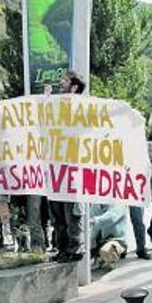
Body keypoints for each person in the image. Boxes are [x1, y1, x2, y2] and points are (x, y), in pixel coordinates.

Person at [49, 72, 87, 262]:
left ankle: (75, 248)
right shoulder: (55, 107)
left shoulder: (81, 108)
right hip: (55, 169)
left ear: (73, 87)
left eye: (64, 81)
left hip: (72, 169)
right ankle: (62, 248)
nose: (60, 83)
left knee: (72, 211)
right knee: (57, 213)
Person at [89, 204, 128, 270]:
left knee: (105, 251)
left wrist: (94, 220)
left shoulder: (118, 204)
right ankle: (99, 258)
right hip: (100, 240)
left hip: (116, 240)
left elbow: (111, 218)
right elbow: (93, 229)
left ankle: (111, 260)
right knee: (83, 249)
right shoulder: (95, 205)